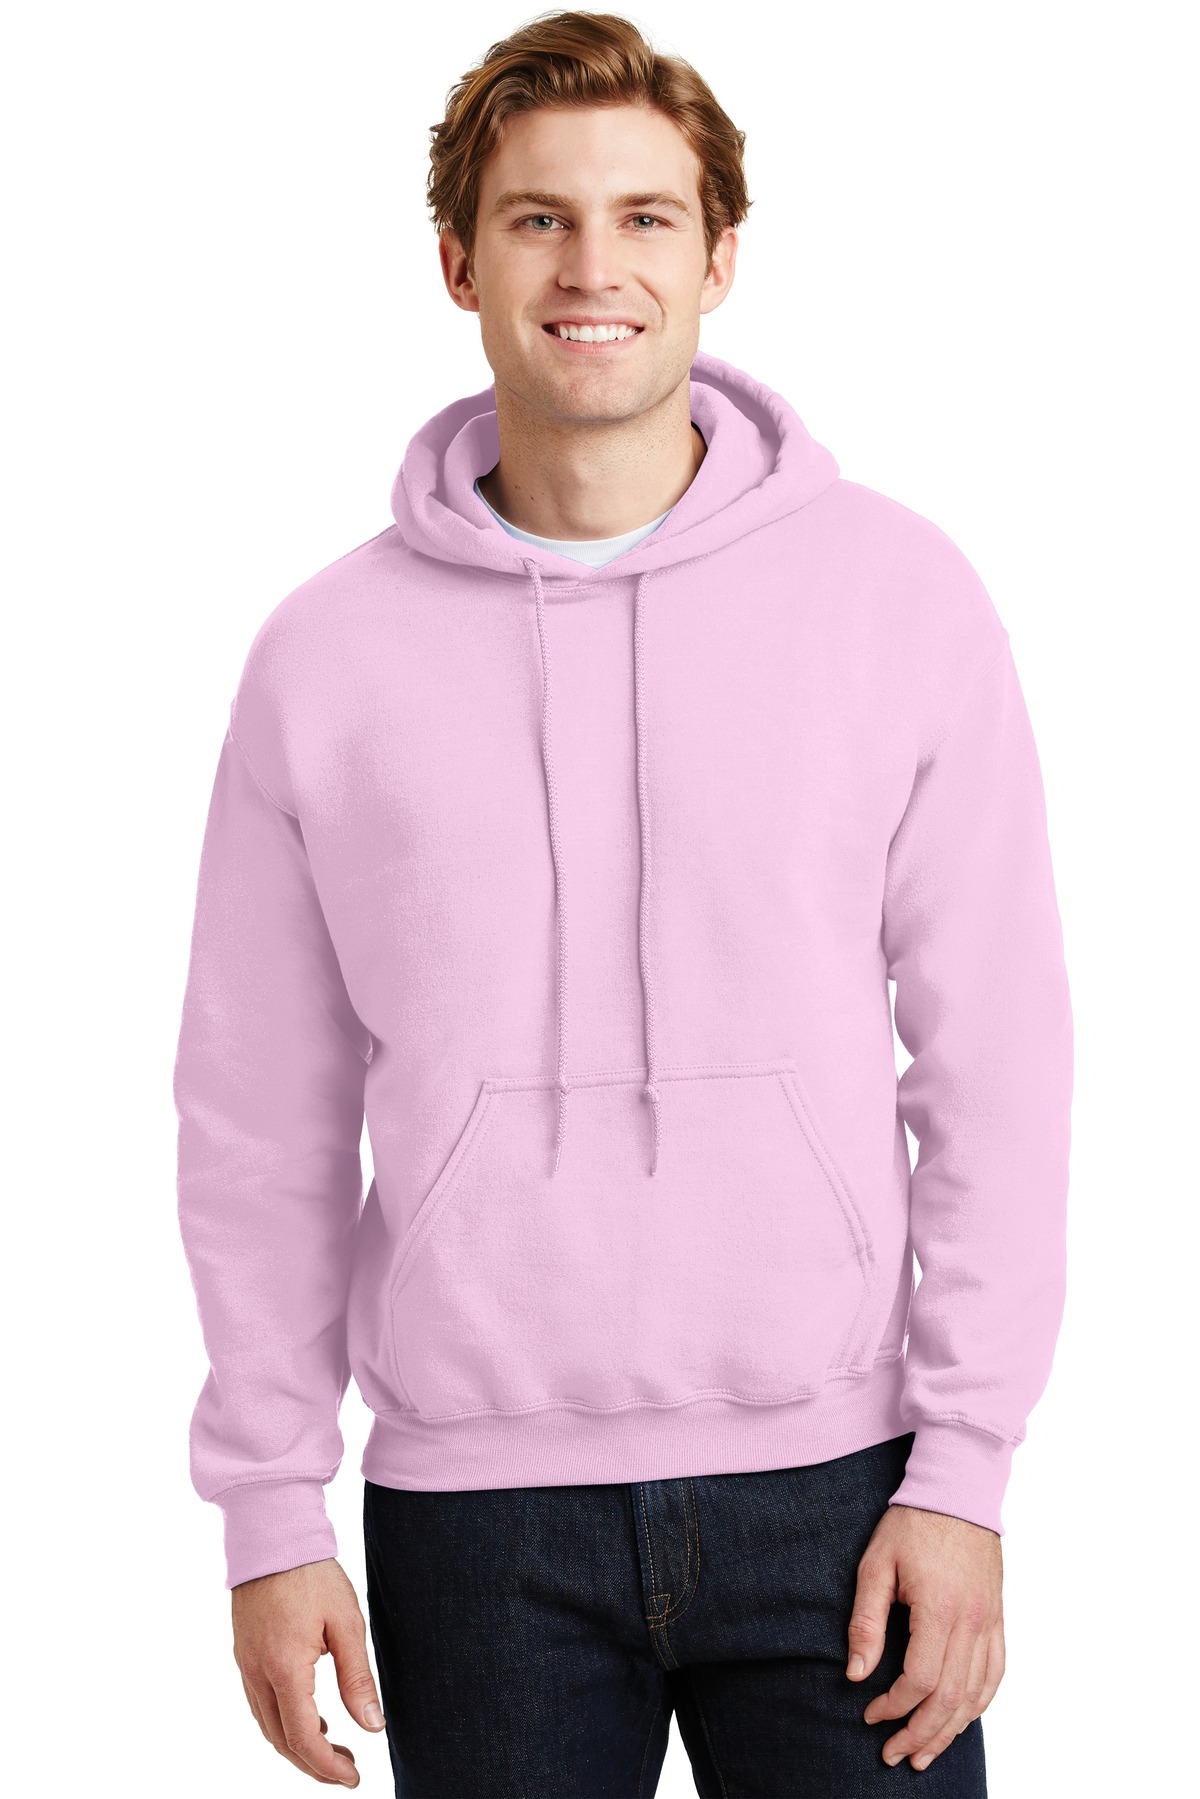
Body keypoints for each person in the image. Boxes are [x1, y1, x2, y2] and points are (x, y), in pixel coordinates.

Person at [173, 12, 1073, 1795]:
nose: (594, 268)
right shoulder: (323, 661)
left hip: (844, 1495)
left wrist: (966, 1472)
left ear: (720, 256)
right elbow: (256, 1120)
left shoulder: (897, 600)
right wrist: (270, 1507)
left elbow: (1000, 1068)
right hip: (474, 1520)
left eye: (646, 217)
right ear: (459, 261)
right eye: (540, 219)